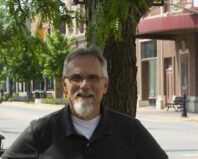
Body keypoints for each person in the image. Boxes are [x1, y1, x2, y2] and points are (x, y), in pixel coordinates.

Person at [2, 46, 168, 159]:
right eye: (76, 78)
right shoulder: (41, 132)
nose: (84, 85)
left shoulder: (130, 130)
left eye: (93, 77)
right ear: (64, 86)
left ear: (105, 85)